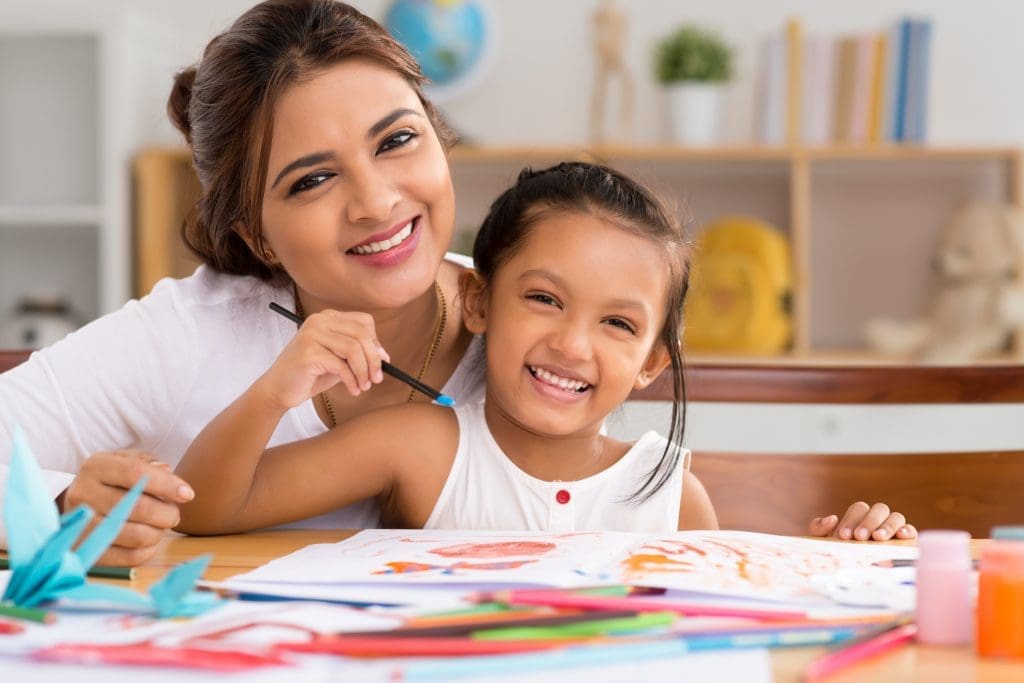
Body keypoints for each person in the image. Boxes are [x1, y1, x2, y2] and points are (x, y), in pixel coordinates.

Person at [176, 162, 917, 541]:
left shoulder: (670, 494)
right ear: (477, 302)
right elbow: (207, 509)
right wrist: (277, 390)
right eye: (544, 299)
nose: (571, 344)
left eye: (618, 325)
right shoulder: (418, 446)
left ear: (654, 361)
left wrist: (842, 556)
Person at [0, 0, 483, 565]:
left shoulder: (535, 313)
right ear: (256, 236)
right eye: (314, 180)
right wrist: (55, 507)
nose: (376, 203)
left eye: (397, 140)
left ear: (440, 135)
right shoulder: (191, 333)